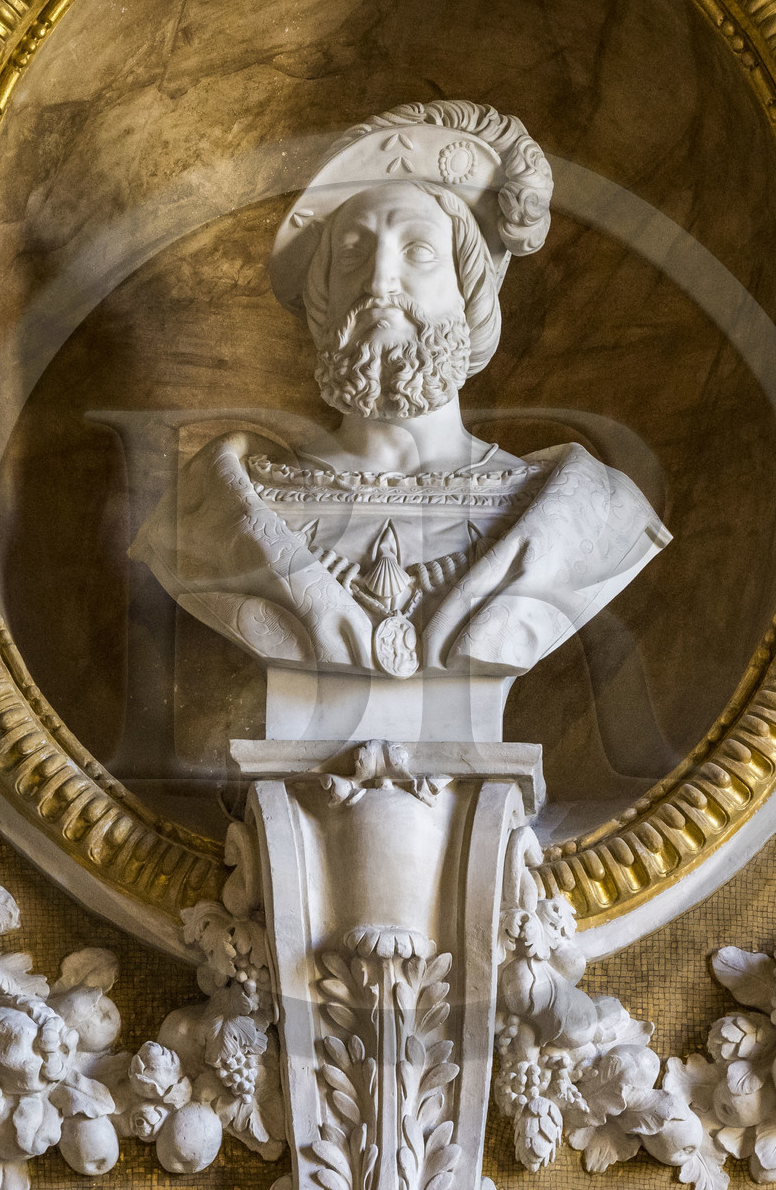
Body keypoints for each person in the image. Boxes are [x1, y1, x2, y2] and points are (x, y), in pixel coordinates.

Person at [133, 99, 670, 741]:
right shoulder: (216, 508)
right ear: (324, 297)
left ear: (469, 293)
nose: (380, 283)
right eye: (353, 253)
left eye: (417, 251)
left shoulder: (584, 512)